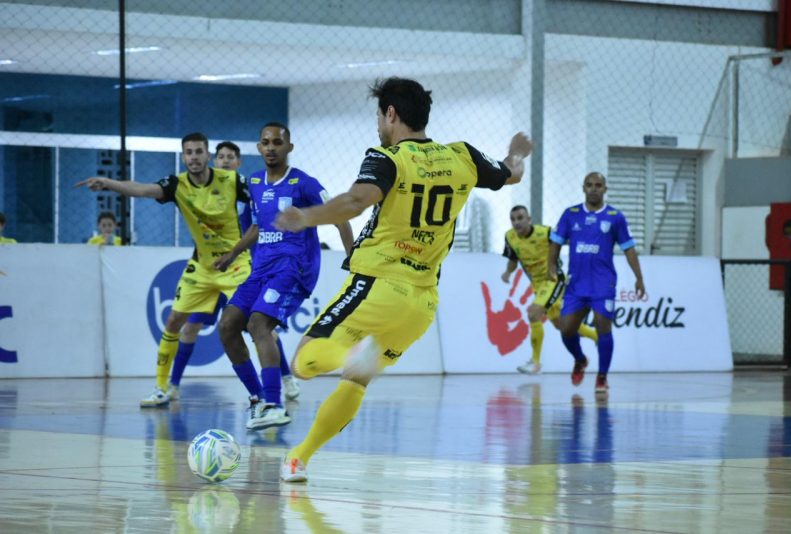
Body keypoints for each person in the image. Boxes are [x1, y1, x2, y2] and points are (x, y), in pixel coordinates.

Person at [273, 77, 533, 482]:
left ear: (391, 114)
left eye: (379, 115)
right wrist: (518, 150)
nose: (378, 124)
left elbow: (358, 200)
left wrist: (306, 217)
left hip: (378, 284)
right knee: (356, 382)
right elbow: (512, 173)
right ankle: (300, 458)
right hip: (421, 304)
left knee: (304, 362)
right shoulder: (462, 156)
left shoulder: (388, 158)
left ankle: (347, 356)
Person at [76, 132, 252, 407]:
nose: (193, 157)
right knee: (173, 323)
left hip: (236, 263)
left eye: (198, 152)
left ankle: (274, 389)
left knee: (257, 323)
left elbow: (263, 198)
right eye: (188, 153)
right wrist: (109, 183)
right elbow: (142, 189)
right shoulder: (175, 184)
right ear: (184, 157)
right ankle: (162, 388)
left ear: (208, 155)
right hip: (203, 266)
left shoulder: (231, 181)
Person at [214, 122, 353, 431]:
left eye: (278, 142)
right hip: (260, 268)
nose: (271, 147)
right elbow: (256, 227)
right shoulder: (253, 182)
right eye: (266, 142)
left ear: (288, 147)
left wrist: (352, 255)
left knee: (258, 324)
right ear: (259, 147)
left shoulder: (304, 184)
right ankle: (258, 399)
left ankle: (275, 405)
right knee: (227, 326)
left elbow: (338, 215)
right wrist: (233, 254)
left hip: (294, 267)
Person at [167, 141, 301, 402]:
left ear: (238, 163)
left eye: (230, 157)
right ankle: (172, 385)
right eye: (221, 157)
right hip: (213, 270)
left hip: (242, 271)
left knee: (261, 328)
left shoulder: (249, 194)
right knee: (189, 327)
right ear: (214, 161)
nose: (225, 161)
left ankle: (286, 379)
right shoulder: (212, 196)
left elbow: (264, 226)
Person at [547, 172, 645, 396]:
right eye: (589, 185)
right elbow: (555, 243)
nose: (593, 189)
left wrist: (639, 277)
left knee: (603, 326)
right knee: (566, 328)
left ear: (605, 189)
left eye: (598, 185)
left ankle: (602, 377)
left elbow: (628, 248)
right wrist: (551, 266)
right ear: (583, 188)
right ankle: (580, 359)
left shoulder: (614, 217)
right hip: (576, 284)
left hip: (603, 284)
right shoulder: (570, 215)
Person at [501, 205, 597, 374]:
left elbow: (567, 240)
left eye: (520, 218)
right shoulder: (510, 237)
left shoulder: (544, 233)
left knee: (533, 313)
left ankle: (535, 362)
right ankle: (598, 337)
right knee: (562, 325)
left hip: (553, 279)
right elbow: (513, 260)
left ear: (529, 219)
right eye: (513, 219)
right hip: (538, 285)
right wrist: (507, 273)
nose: (517, 222)